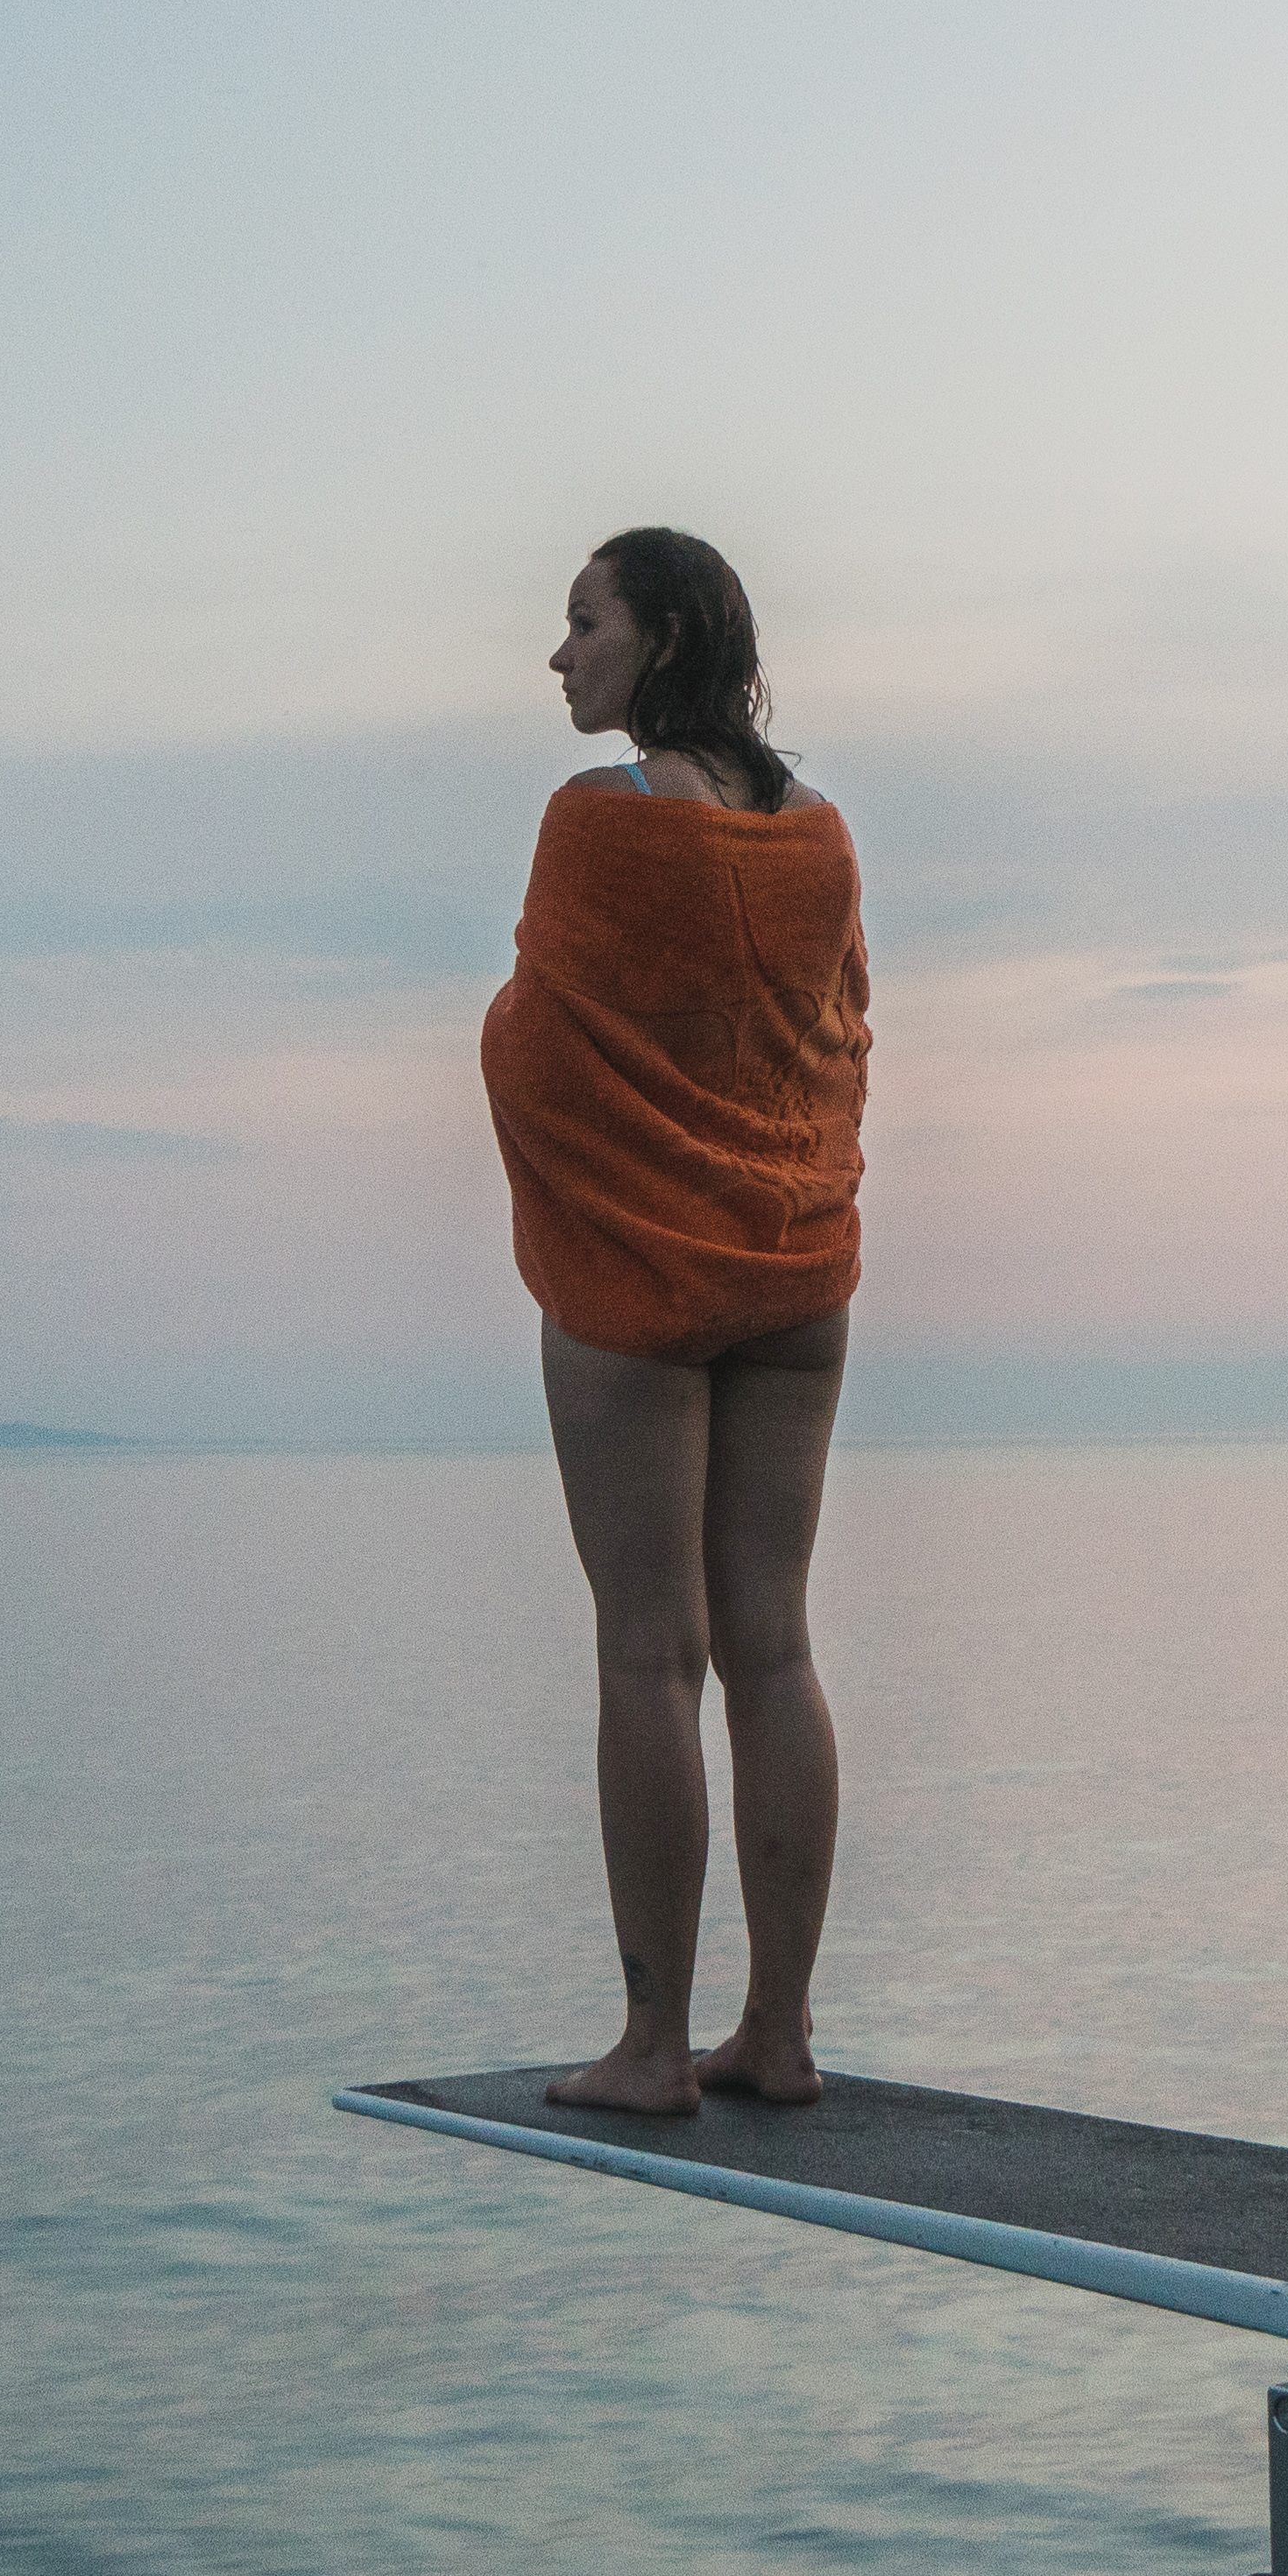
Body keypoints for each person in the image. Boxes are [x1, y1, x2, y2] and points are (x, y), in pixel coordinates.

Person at [483, 528, 870, 2116]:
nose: (559, 655)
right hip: (797, 1266)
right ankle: (777, 2037)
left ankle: (654, 2045)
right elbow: (838, 1031)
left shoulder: (598, 823)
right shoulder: (823, 832)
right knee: (772, 1649)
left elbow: (540, 1036)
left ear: (665, 640)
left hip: (640, 1275)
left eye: (585, 624)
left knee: (651, 1655)